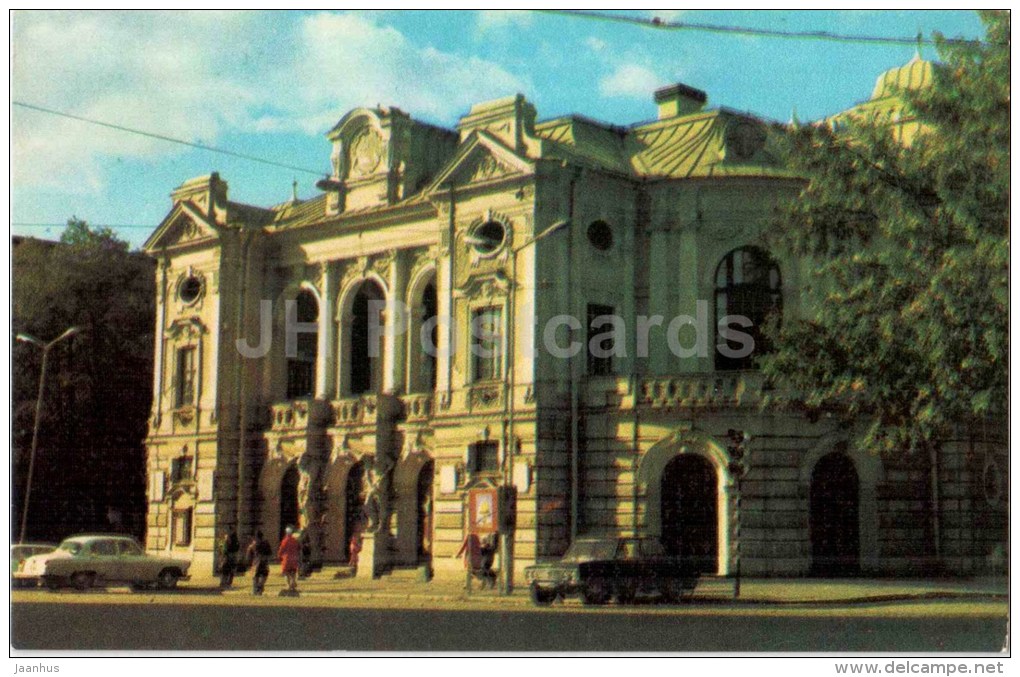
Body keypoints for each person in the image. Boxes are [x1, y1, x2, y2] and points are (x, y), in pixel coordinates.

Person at [246, 531, 272, 595]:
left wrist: (248, 563)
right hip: (264, 561)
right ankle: (260, 587)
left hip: (255, 562)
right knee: (264, 575)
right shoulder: (266, 543)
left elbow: (248, 555)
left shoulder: (252, 545)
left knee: (255, 577)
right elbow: (270, 553)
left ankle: (255, 590)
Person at [278, 526, 301, 594]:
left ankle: (289, 585)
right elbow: (299, 548)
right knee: (293, 573)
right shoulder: (295, 540)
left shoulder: (284, 541)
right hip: (294, 559)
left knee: (286, 573)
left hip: (286, 559)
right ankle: (293, 583)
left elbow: (281, 549)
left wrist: (279, 556)